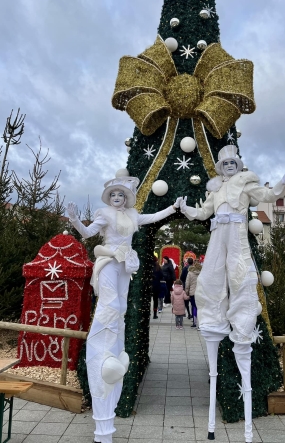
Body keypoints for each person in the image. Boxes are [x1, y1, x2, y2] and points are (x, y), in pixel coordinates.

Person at [178, 145, 285, 442]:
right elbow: (203, 212)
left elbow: (267, 196)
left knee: (242, 279)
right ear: (219, 167)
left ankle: (242, 331)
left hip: (238, 238)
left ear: (238, 165)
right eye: (225, 163)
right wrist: (185, 207)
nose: (229, 166)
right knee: (210, 283)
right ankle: (213, 325)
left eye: (233, 162)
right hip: (218, 237)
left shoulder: (245, 184)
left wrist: (281, 184)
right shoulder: (216, 190)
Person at [66, 170, 179, 443]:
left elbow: (153, 217)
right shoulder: (104, 214)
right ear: (109, 197)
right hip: (107, 263)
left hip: (125, 266)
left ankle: (113, 347)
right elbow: (89, 233)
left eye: (120, 195)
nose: (117, 198)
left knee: (122, 310)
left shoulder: (132, 215)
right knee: (111, 304)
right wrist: (73, 220)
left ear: (126, 198)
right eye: (113, 194)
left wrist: (173, 207)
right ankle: (103, 347)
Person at [185, 259, 202, 328]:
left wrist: (187, 292)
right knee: (200, 307)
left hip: (193, 292)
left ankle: (194, 322)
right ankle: (200, 322)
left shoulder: (190, 273)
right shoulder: (202, 272)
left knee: (194, 306)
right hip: (201, 292)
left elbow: (187, 284)